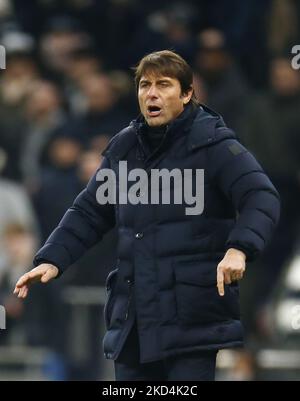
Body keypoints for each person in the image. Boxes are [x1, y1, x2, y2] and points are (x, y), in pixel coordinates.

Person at [14, 50, 280, 381]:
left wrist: (239, 248)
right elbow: (89, 211)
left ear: (186, 94)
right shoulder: (124, 149)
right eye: (144, 85)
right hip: (133, 320)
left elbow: (261, 196)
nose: (151, 94)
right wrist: (53, 258)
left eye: (164, 85)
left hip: (190, 321)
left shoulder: (214, 145)